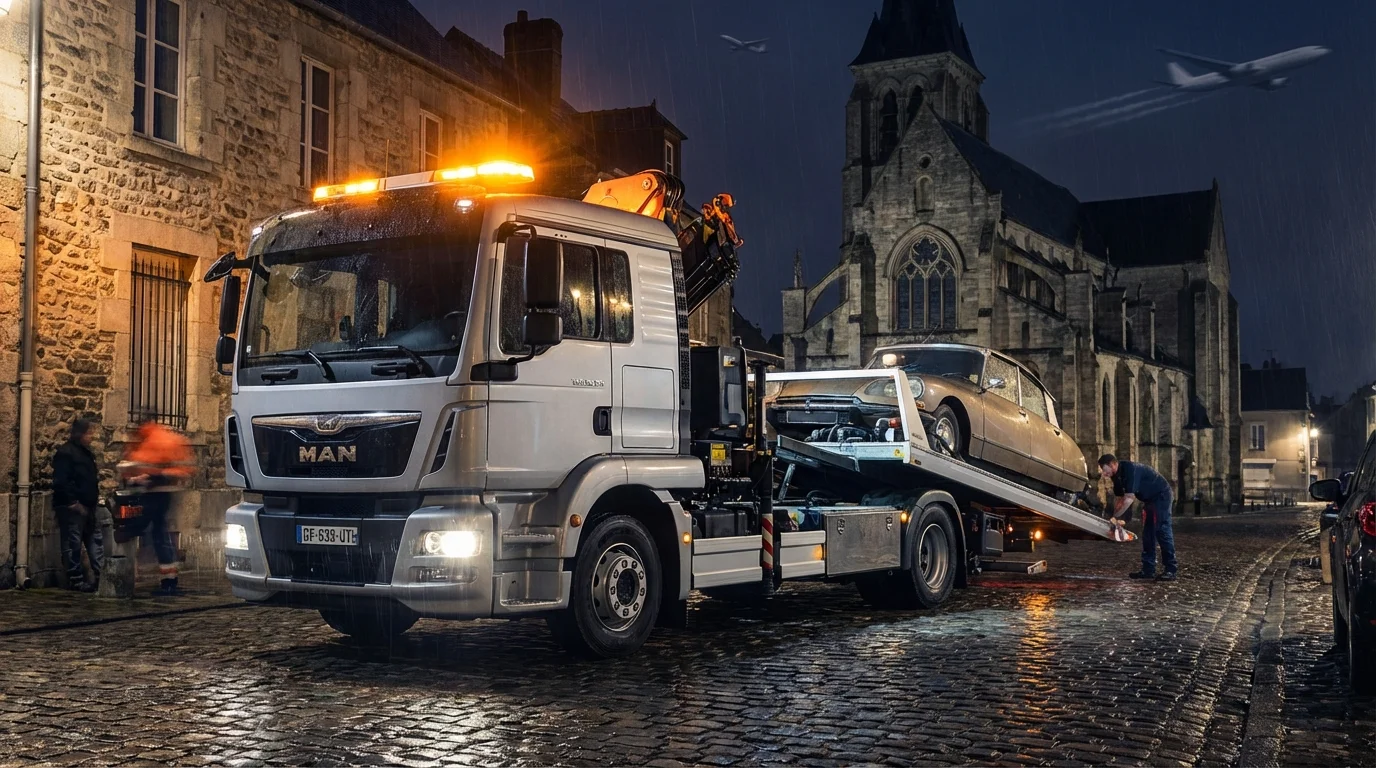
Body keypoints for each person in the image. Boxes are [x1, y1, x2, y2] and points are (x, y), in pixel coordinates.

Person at [121, 415, 194, 596]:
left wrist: (145, 477)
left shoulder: (154, 440)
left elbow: (154, 468)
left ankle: (167, 579)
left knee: (155, 532)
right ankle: (169, 577)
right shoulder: (161, 438)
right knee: (159, 533)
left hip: (157, 493)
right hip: (161, 491)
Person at [1098, 453, 1177, 581]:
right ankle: (1148, 569)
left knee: (1162, 531)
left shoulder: (1130, 469)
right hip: (1149, 500)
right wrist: (1115, 517)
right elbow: (1120, 498)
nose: (1103, 472)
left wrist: (1115, 517)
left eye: (1104, 468)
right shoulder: (1116, 476)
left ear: (1112, 464)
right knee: (1148, 533)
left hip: (1161, 496)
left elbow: (1129, 498)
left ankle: (1170, 569)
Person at [51, 418, 103, 592]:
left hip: (89, 506)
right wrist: (73, 502)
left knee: (95, 541)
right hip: (73, 507)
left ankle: (101, 575)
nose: (92, 437)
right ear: (80, 434)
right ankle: (75, 579)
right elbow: (62, 481)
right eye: (89, 433)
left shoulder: (86, 453)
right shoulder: (66, 453)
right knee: (72, 543)